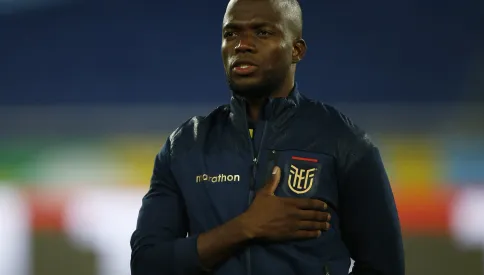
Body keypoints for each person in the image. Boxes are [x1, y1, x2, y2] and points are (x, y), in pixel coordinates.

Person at [130, 0, 405, 274]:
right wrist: (245, 228)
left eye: (262, 32)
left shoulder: (344, 143)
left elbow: (385, 267)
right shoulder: (185, 146)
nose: (242, 44)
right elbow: (147, 264)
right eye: (231, 34)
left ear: (296, 50)